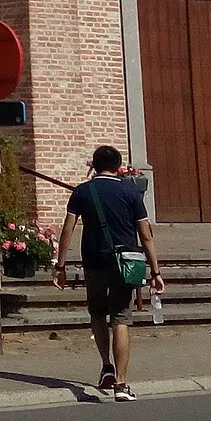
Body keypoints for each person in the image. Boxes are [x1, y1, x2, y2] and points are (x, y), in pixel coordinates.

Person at [52, 145, 164, 402]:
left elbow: (67, 231)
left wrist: (61, 266)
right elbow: (145, 234)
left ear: (93, 164)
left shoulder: (82, 191)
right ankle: (122, 385)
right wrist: (155, 271)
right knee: (121, 318)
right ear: (118, 166)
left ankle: (106, 367)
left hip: (92, 260)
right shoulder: (130, 190)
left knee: (97, 313)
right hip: (125, 261)